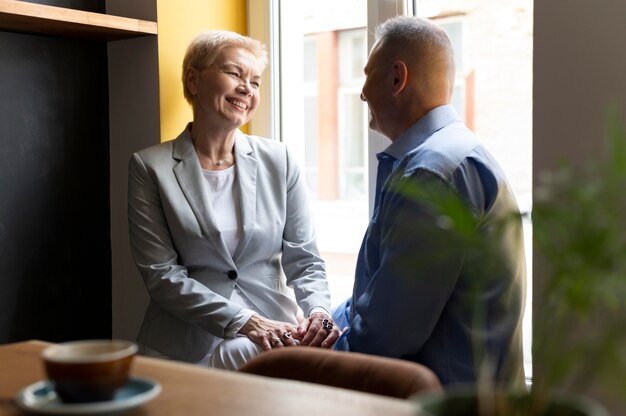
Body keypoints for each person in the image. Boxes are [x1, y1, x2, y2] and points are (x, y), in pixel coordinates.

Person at [332, 16, 526, 388]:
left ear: (396, 79)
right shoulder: (446, 156)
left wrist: (315, 356)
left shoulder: (432, 175)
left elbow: (387, 336)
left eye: (367, 74)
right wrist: (330, 323)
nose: (361, 93)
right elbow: (380, 296)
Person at [128, 30, 340, 370]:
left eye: (255, 81)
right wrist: (245, 321)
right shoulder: (149, 166)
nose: (247, 88)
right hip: (185, 347)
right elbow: (162, 276)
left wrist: (318, 311)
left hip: (271, 338)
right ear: (193, 80)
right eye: (235, 73)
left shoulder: (279, 160)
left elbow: (306, 260)